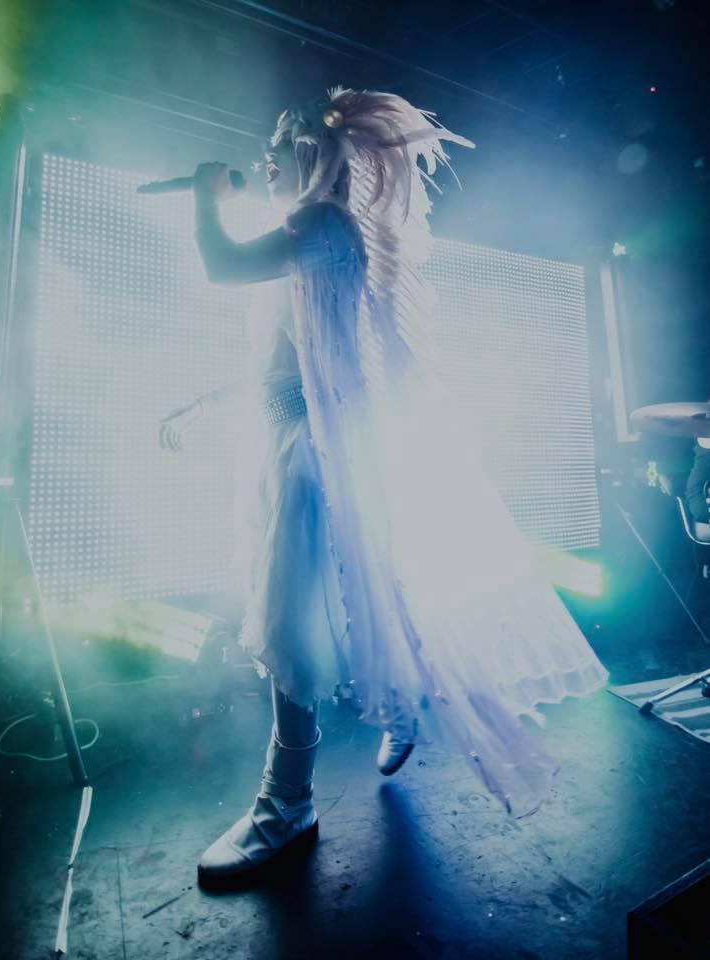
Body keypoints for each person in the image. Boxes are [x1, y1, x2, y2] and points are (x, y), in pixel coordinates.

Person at [161, 87, 609, 887]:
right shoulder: (310, 230)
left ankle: (286, 805)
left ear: (317, 153)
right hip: (287, 441)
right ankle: (397, 710)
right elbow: (286, 354)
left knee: (299, 623)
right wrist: (209, 402)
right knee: (356, 598)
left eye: (281, 142)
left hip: (317, 454)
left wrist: (204, 196)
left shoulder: (322, 225)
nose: (267, 155)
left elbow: (220, 264)